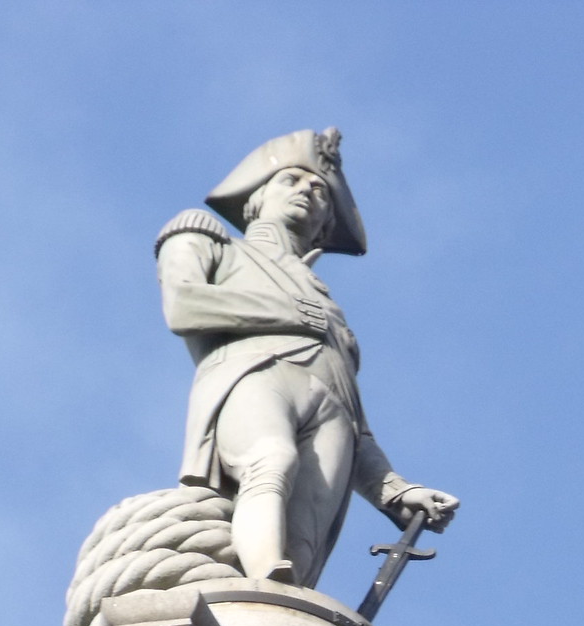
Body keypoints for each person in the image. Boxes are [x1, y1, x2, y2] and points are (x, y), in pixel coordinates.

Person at [155, 128, 459, 588]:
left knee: (306, 538)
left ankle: (282, 601)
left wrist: (396, 491)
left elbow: (359, 428)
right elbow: (184, 305)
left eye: (320, 191)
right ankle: (259, 577)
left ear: (324, 223)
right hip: (253, 373)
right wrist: (290, 312)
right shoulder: (211, 240)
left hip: (331, 413)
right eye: (291, 180)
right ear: (255, 199)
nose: (307, 192)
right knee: (269, 459)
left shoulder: (336, 320)